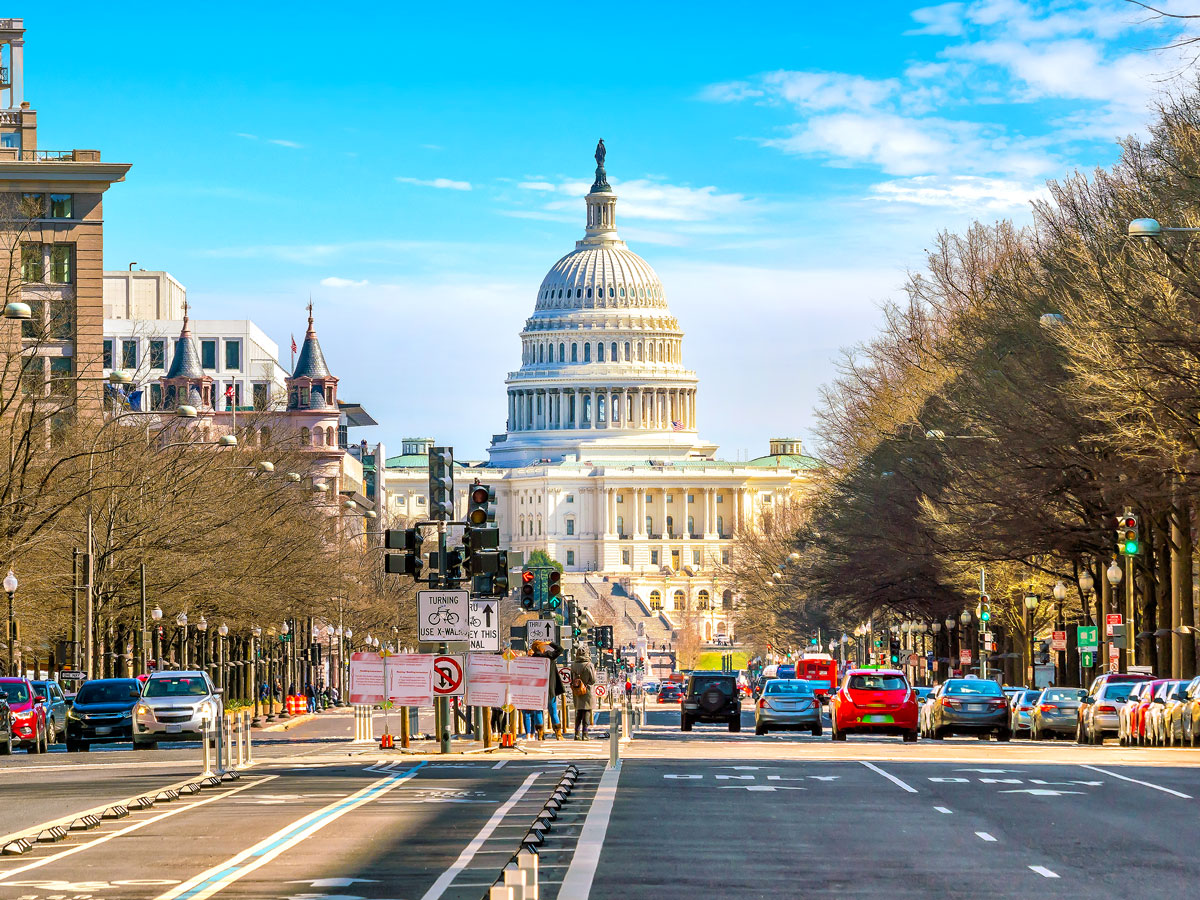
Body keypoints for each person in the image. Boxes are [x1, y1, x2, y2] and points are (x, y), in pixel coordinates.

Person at [531, 639, 566, 739]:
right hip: (550, 689)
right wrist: (550, 643)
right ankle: (558, 734)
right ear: (541, 648)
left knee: (538, 711)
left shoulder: (531, 659)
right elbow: (560, 649)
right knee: (553, 711)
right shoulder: (549, 657)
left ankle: (540, 734)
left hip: (537, 689)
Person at [570, 647, 597, 740]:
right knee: (586, 712)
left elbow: (571, 678)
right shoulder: (589, 665)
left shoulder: (573, 665)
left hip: (576, 690)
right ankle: (585, 734)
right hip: (587, 691)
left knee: (579, 713)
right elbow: (593, 680)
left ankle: (576, 734)